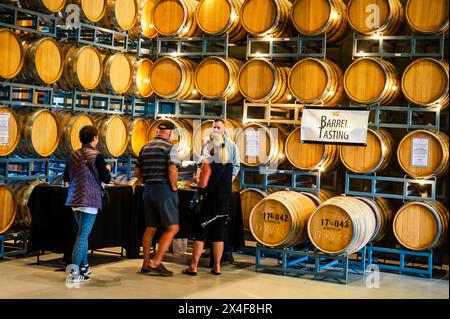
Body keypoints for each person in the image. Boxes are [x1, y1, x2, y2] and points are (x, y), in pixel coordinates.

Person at [63, 125, 111, 283]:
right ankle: (74, 272)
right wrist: (107, 168)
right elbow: (106, 179)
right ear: (95, 138)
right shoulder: (97, 156)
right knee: (82, 236)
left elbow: (66, 177)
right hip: (90, 200)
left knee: (81, 235)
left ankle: (84, 267)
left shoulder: (72, 154)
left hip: (74, 199)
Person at [182, 132, 233, 276]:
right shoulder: (227, 162)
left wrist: (197, 179)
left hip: (209, 202)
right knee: (219, 235)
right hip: (223, 203)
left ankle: (193, 266)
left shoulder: (208, 162)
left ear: (211, 145)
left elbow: (203, 184)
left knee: (200, 234)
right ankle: (217, 266)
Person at [135, 121, 180, 276]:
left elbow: (137, 173)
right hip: (164, 190)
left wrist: (146, 182)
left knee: (150, 228)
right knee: (173, 227)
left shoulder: (145, 147)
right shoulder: (170, 147)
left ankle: (145, 263)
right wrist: (174, 187)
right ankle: (157, 262)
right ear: (170, 132)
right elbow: (172, 169)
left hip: (148, 191)